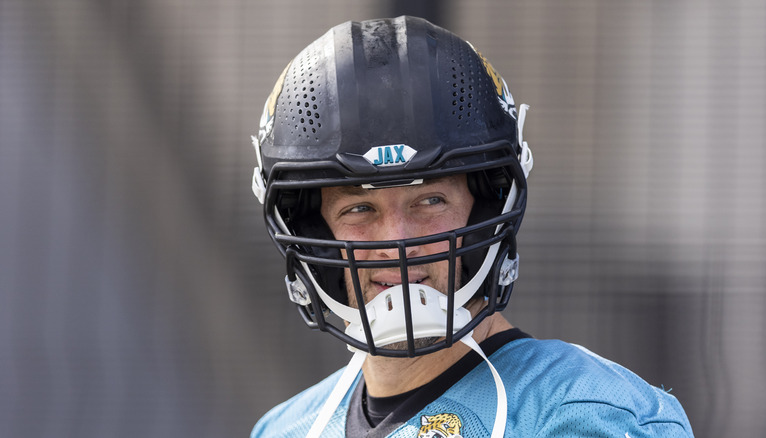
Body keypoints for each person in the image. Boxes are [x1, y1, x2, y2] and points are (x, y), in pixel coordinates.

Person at [249, 16, 694, 438]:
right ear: (314, 231)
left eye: (430, 200)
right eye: (359, 209)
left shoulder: (583, 415)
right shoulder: (285, 428)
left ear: (485, 214)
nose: (397, 240)